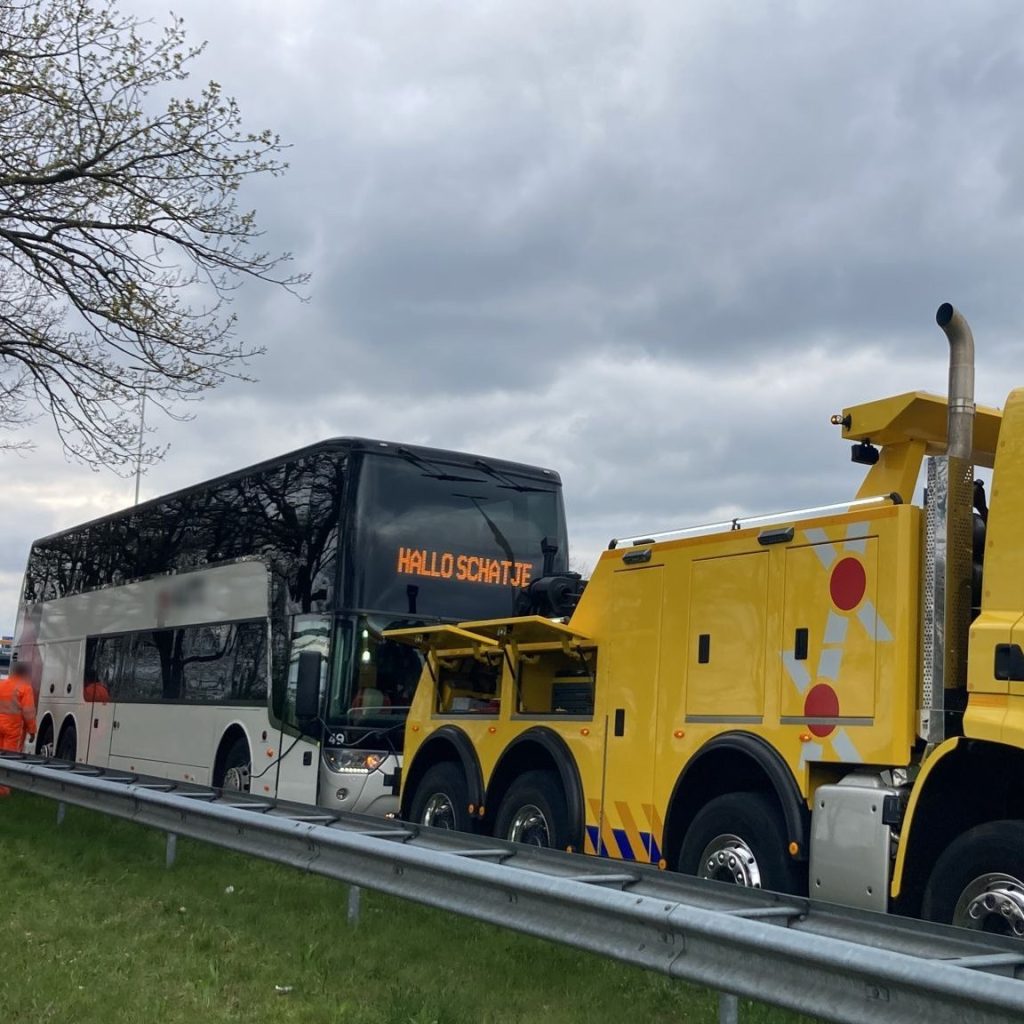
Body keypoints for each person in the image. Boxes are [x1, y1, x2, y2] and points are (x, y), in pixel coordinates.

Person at [0, 661, 37, 797]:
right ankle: (3, 790)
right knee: (9, 759)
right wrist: (32, 731)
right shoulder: (24, 688)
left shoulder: (1, 684)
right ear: (24, 673)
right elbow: (28, 713)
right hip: (12, 728)